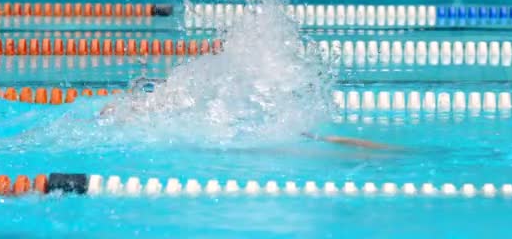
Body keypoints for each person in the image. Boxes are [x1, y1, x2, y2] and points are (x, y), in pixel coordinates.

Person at [100, 76, 394, 151]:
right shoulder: (176, 112)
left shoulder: (170, 117)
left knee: (311, 139)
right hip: (252, 124)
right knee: (314, 139)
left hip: (245, 128)